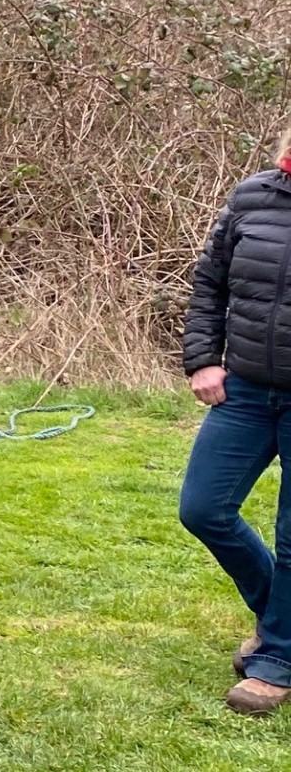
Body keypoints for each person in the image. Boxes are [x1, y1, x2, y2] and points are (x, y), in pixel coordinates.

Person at [178, 123, 291, 716]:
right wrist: (202, 358)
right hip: (245, 387)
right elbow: (209, 283)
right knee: (204, 508)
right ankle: (281, 616)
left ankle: (276, 661)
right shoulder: (253, 196)